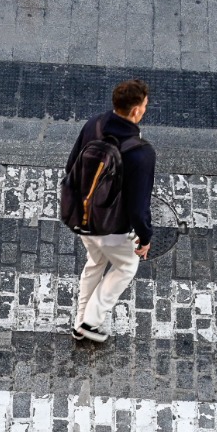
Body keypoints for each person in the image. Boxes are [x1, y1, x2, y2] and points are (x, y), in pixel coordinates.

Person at [64, 79, 156, 343]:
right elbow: (139, 208)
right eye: (145, 105)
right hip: (112, 227)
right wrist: (145, 237)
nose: (145, 109)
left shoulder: (94, 124)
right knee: (127, 266)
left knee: (95, 263)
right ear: (136, 111)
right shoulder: (141, 152)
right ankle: (90, 322)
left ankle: (80, 321)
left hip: (82, 216)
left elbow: (72, 165)